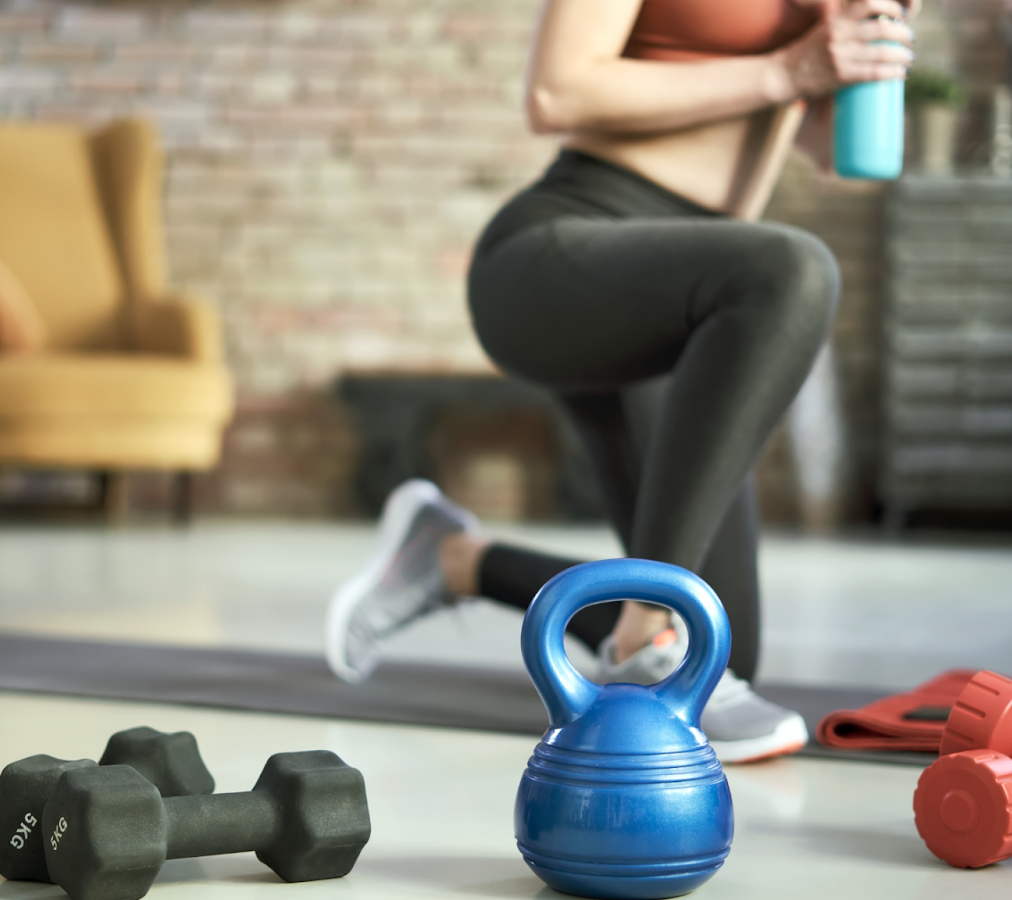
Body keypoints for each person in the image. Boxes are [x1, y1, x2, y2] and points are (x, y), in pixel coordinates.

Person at [325, 0, 917, 764]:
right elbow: (556, 94)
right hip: (566, 248)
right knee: (795, 274)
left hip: (690, 293)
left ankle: (455, 559)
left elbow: (839, 156)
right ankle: (643, 625)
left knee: (722, 646)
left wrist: (854, 60)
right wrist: (789, 66)